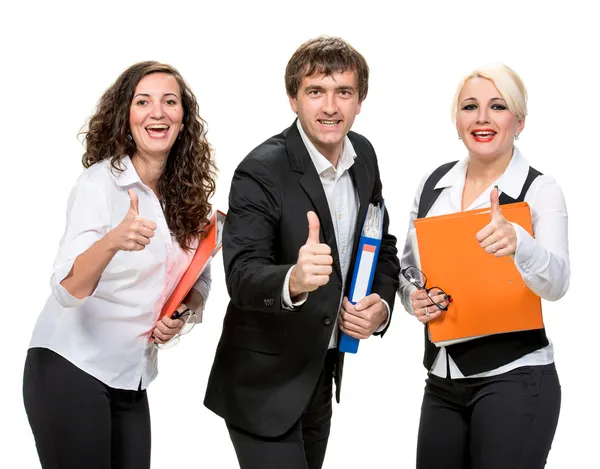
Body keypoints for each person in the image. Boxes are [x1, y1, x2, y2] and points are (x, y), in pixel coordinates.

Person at [204, 36, 400, 469]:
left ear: (360, 101)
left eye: (343, 92)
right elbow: (241, 275)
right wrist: (293, 279)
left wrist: (381, 306)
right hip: (262, 383)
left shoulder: (363, 156)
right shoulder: (261, 169)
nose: (330, 107)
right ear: (294, 98)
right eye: (316, 92)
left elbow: (382, 244)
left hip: (320, 374)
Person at [22, 61, 217, 469]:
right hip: (71, 366)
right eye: (142, 102)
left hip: (130, 378)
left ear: (184, 119)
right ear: (126, 117)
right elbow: (66, 288)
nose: (158, 112)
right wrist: (112, 242)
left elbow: (198, 276)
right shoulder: (99, 185)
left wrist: (183, 312)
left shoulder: (187, 197)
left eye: (170, 102)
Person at [398, 63, 569, 469]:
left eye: (498, 106)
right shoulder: (432, 184)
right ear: (457, 120)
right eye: (470, 107)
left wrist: (520, 245)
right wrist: (413, 299)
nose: (482, 118)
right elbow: (408, 267)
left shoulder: (540, 191)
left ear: (519, 121)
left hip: (516, 379)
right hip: (442, 381)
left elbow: (559, 282)